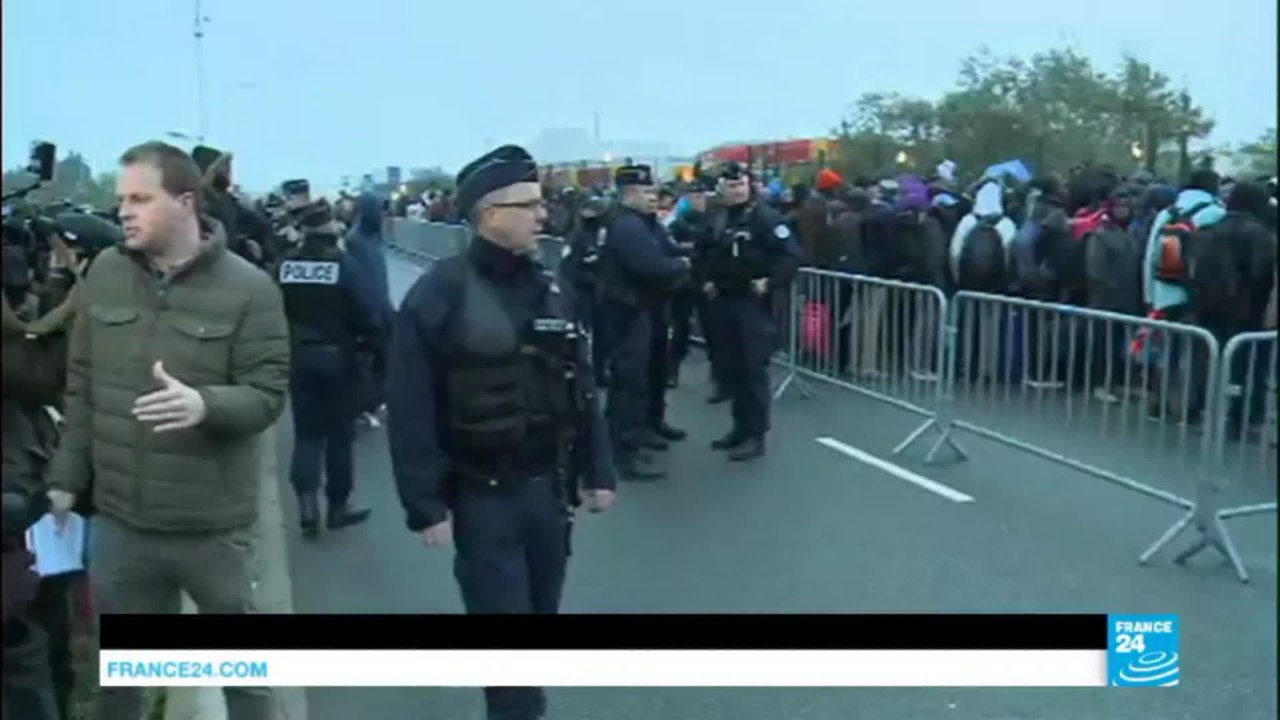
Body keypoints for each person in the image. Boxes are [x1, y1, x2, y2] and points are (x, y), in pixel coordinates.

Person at [45, 140, 289, 720]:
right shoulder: (104, 275)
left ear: (186, 202)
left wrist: (206, 405)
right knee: (122, 682)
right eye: (120, 199)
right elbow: (81, 387)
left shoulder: (249, 289)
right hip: (125, 524)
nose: (124, 211)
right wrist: (65, 477)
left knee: (247, 681)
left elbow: (267, 393)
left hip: (213, 529)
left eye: (140, 198)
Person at [386, 144, 617, 720]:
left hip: (550, 491)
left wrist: (599, 468)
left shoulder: (553, 287)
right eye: (530, 204)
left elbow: (580, 386)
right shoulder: (440, 294)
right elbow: (410, 404)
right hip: (483, 497)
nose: (545, 215)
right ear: (491, 214)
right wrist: (424, 503)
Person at [278, 199, 379, 537]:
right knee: (339, 437)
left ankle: (307, 504)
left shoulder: (284, 266)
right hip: (338, 360)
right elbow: (369, 314)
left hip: (299, 359)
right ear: (331, 227)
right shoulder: (345, 266)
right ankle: (338, 506)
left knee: (307, 435)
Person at [698, 162, 801, 460]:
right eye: (730, 186)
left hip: (751, 302)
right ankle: (739, 428)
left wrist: (771, 281)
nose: (736, 190)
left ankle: (756, 434)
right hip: (723, 300)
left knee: (752, 369)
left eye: (740, 185)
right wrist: (704, 280)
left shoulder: (765, 218)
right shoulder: (717, 217)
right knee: (732, 368)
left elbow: (791, 254)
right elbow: (702, 252)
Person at [597, 164, 692, 479]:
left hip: (648, 308)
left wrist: (679, 258)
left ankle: (648, 428)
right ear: (630, 194)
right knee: (630, 381)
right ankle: (623, 450)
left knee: (652, 372)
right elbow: (651, 265)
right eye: (648, 193)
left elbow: (667, 251)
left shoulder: (645, 223)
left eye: (655, 192)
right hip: (627, 311)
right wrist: (680, 265)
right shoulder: (625, 226)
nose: (655, 198)